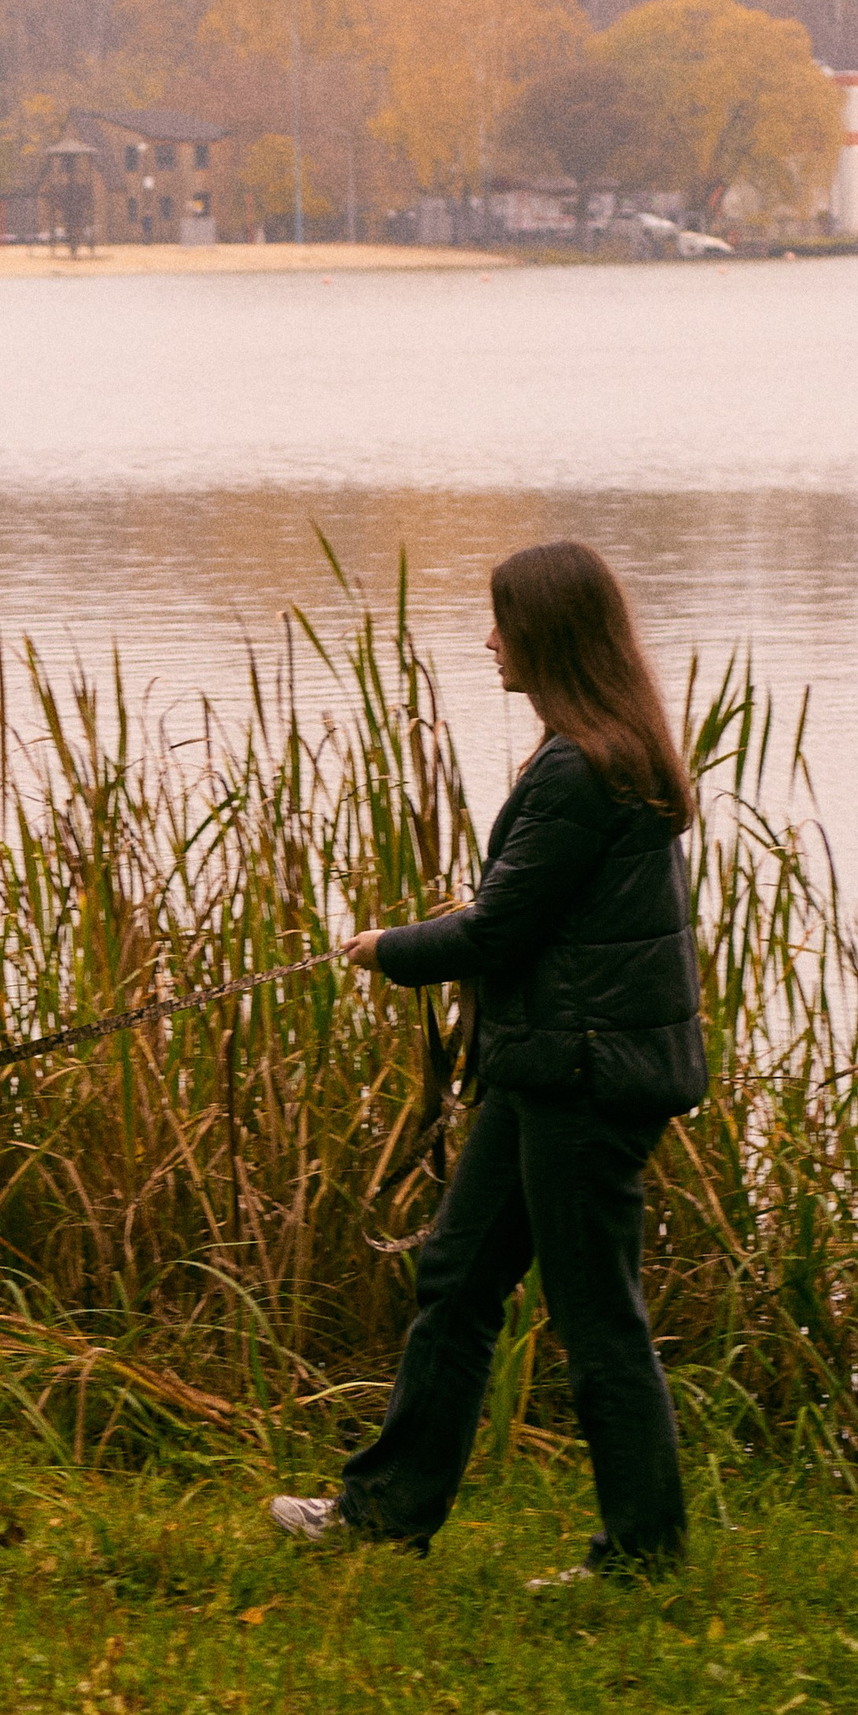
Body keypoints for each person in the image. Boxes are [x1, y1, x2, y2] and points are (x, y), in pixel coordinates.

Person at [270, 540, 706, 1581]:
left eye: (503, 620)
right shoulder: (609, 750)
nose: (488, 639)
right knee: (458, 1276)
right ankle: (384, 1511)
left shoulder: (579, 768)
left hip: (580, 1079)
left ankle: (643, 1554)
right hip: (552, 1068)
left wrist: (382, 949)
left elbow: (494, 935)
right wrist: (431, 936)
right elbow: (522, 918)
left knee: (597, 1311)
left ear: (547, 635)